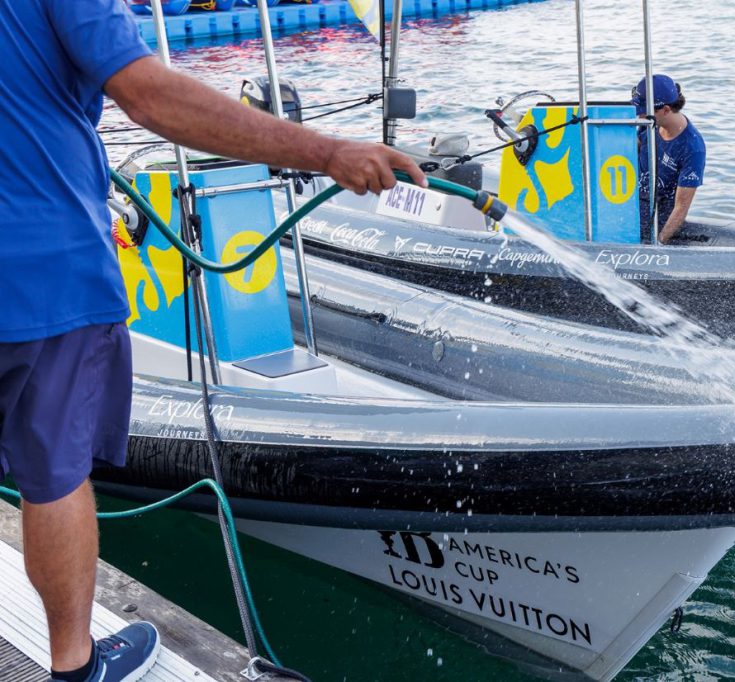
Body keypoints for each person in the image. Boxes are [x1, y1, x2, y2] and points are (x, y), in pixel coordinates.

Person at [0, 1, 426, 681]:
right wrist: (328, 151)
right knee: (54, 474)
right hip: (43, 273)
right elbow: (146, 94)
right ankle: (75, 667)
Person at [632, 74, 706, 244]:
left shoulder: (693, 148)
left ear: (665, 110)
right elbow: (628, 155)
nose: (639, 116)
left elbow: (681, 208)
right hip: (631, 210)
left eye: (643, 112)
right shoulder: (647, 127)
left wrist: (658, 243)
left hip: (657, 220)